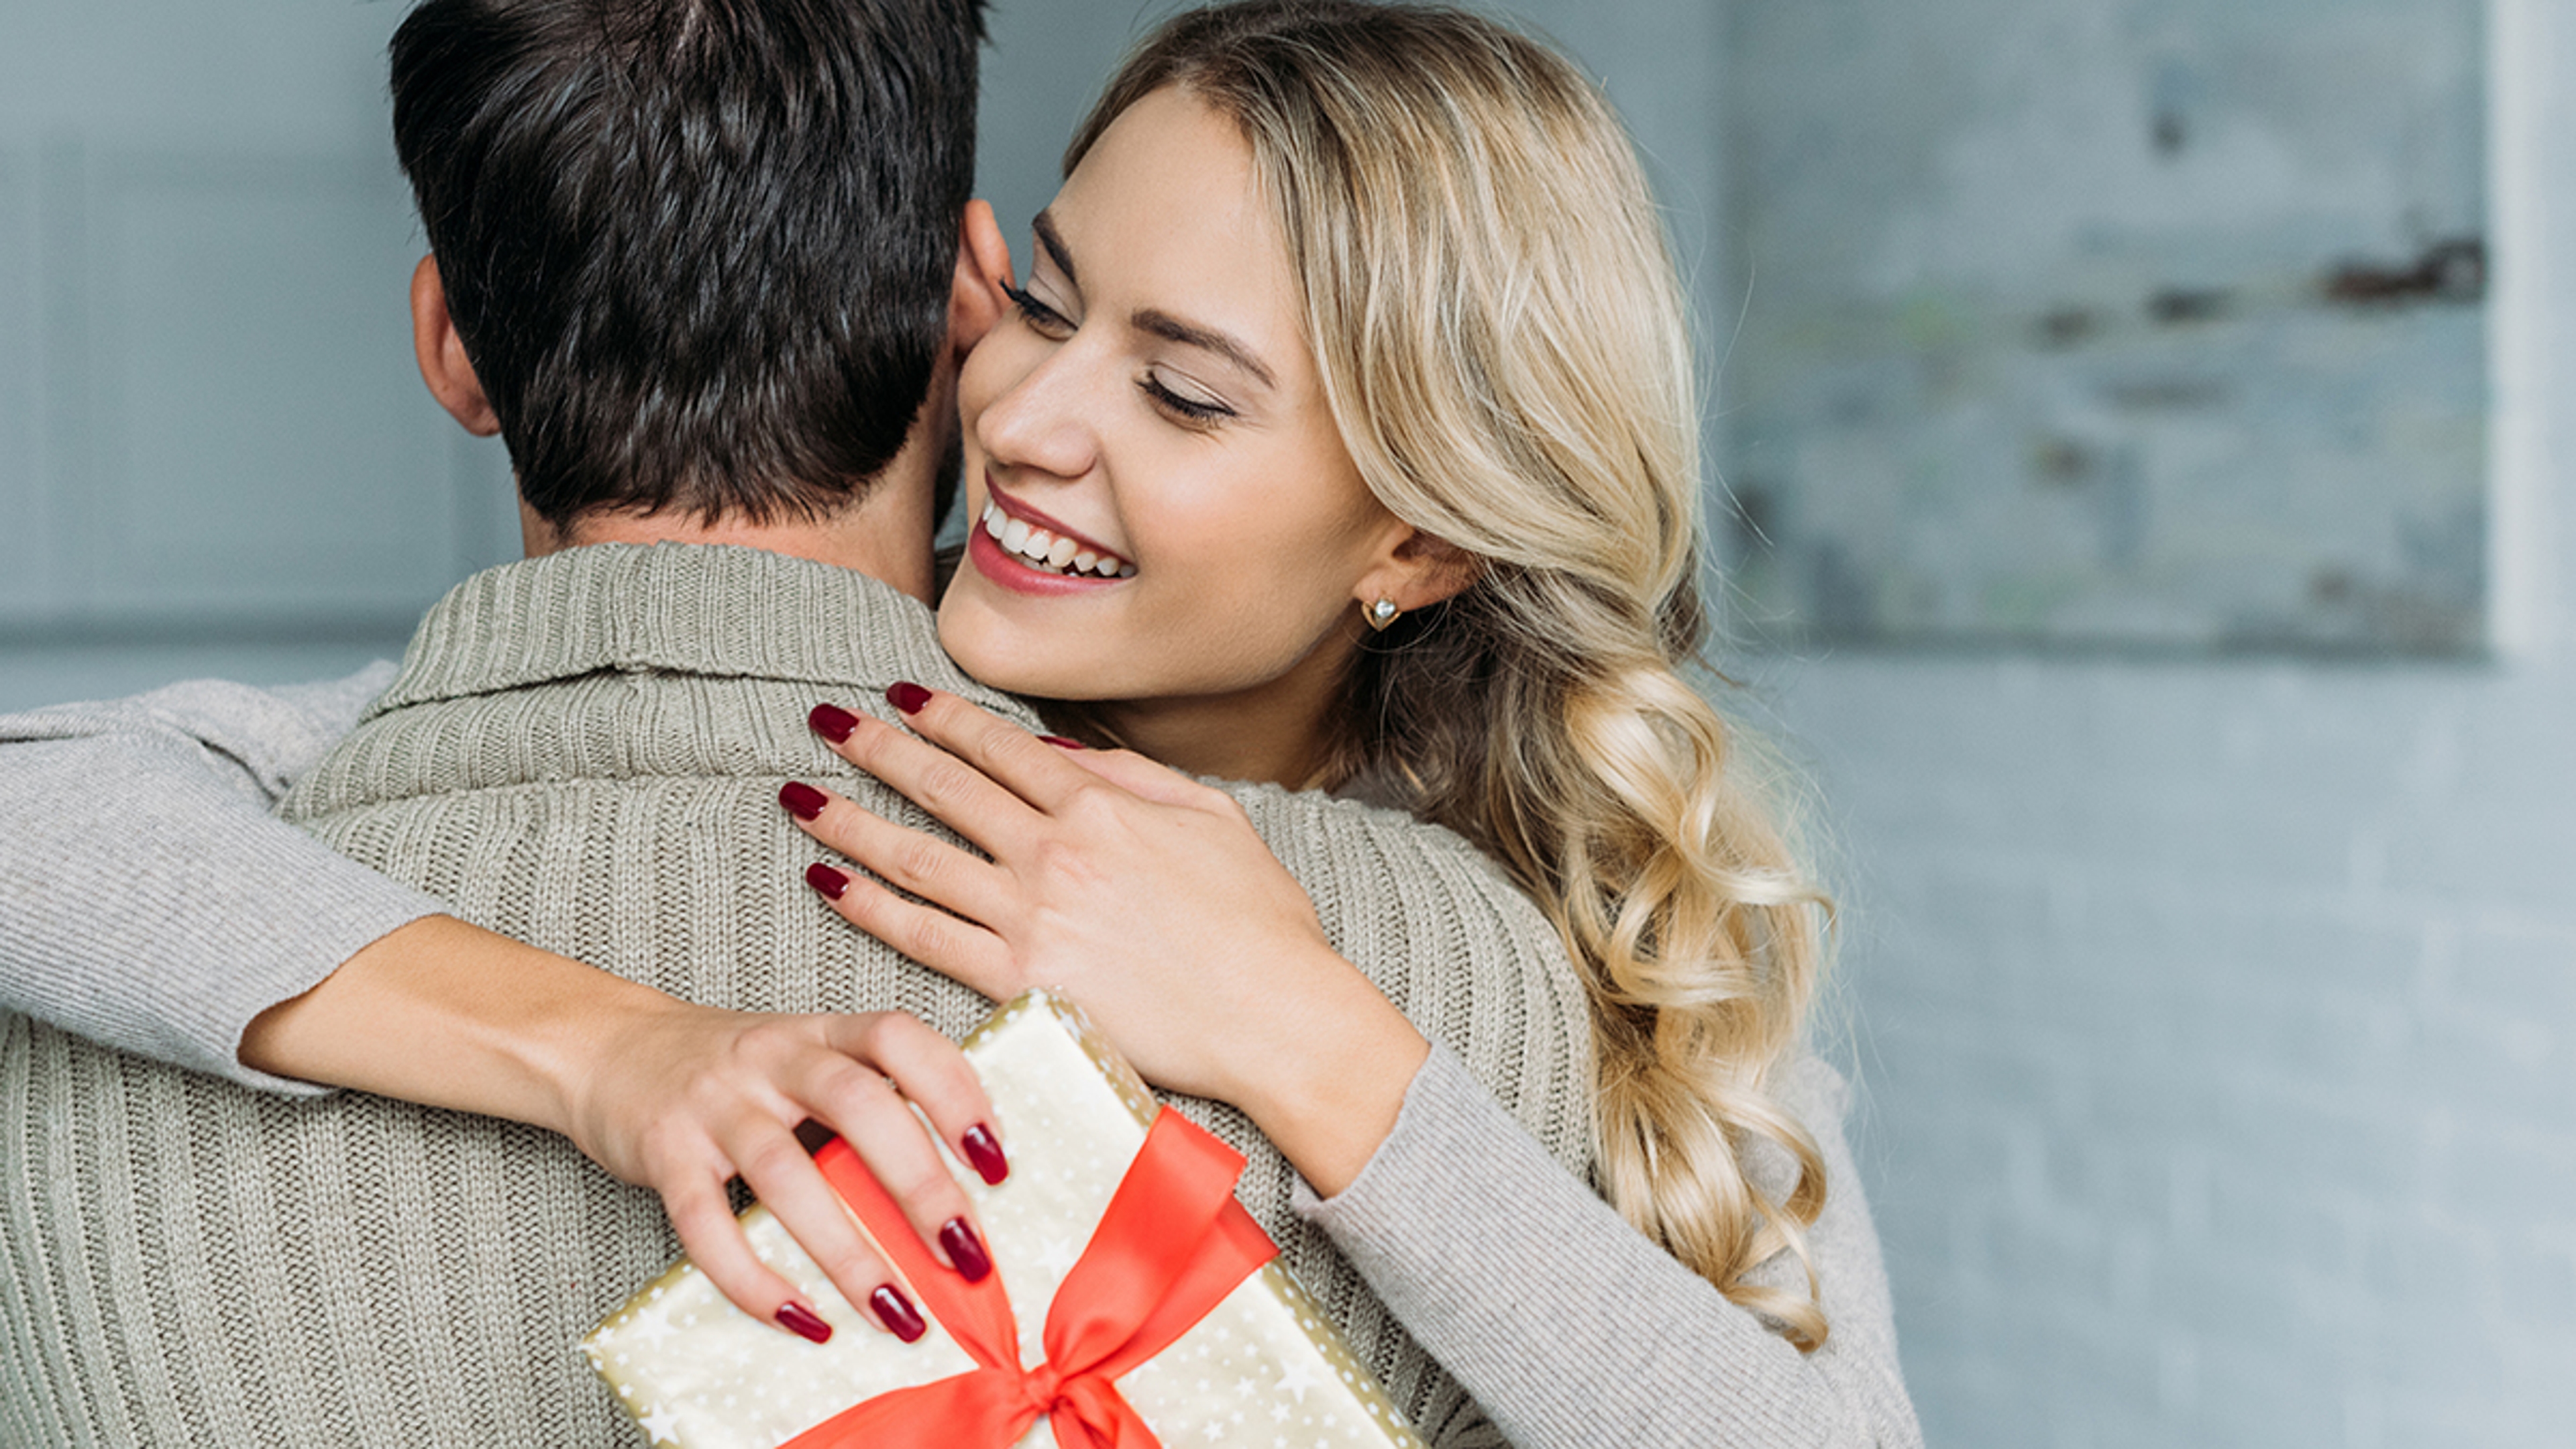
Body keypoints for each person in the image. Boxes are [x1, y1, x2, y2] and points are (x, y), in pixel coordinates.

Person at [0, 3, 1921, 1446]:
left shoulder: (1548, 963)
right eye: (1048, 306)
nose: (1025, 419)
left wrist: (1321, 1048)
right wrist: (625, 1050)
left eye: (1182, 396)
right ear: (955, 300)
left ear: (1413, 534)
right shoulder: (845, 729)